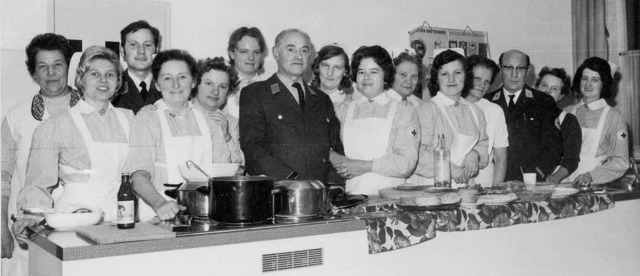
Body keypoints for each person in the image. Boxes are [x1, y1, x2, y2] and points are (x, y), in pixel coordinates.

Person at [13, 45, 132, 246]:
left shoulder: (129, 119)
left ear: (118, 82)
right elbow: (39, 183)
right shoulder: (55, 126)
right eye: (95, 74)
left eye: (110, 74)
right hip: (76, 223)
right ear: (81, 79)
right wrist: (30, 217)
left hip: (123, 220)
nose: (103, 80)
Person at [1, 33, 80, 275]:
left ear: (68, 66)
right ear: (34, 73)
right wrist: (2, 227)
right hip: (25, 227)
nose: (51, 73)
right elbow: (2, 177)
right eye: (42, 67)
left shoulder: (88, 111)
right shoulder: (16, 117)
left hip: (76, 224)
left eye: (58, 65)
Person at [126, 49, 234, 221]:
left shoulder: (209, 119)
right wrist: (160, 204)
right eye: (167, 78)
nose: (175, 85)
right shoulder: (147, 117)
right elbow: (138, 176)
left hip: (206, 211)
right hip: (159, 214)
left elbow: (223, 172)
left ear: (193, 82)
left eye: (182, 77)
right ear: (157, 84)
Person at [240, 29, 342, 182]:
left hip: (319, 194)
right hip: (278, 192)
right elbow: (253, 150)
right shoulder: (256, 94)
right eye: (291, 49)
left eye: (304, 50)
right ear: (276, 53)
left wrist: (335, 185)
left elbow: (335, 149)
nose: (298, 56)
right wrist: (289, 180)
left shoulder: (321, 99)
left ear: (310, 56)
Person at [330, 46, 420, 195]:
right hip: (350, 199)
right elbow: (320, 147)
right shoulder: (342, 109)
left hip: (390, 200)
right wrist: (334, 158)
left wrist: (365, 166)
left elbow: (407, 163)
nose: (366, 78)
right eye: (361, 72)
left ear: (385, 75)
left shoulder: (403, 111)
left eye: (373, 72)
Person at [413, 50, 489, 188]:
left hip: (466, 187)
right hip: (432, 186)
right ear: (436, 78)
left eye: (457, 73)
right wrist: (449, 168)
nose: (451, 79)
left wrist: (475, 153)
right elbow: (416, 152)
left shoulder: (475, 111)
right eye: (444, 74)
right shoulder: (427, 110)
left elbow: (483, 143)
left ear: (466, 76)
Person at [484, 50, 562, 182]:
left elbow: (554, 148)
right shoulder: (487, 101)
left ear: (528, 71)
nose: (514, 74)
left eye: (520, 68)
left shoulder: (543, 101)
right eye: (508, 68)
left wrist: (537, 175)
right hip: (493, 180)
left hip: (530, 181)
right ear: (501, 69)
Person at [565, 57, 629, 186]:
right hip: (561, 185)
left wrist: (591, 176)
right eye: (585, 78)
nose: (588, 84)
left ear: (603, 83)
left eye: (595, 79)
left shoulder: (614, 117)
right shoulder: (566, 112)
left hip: (592, 187)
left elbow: (620, 162)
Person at [464, 55, 508, 187]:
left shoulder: (495, 110)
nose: (481, 85)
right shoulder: (452, 104)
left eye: (487, 81)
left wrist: (496, 190)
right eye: (477, 78)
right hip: (454, 182)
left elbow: (501, 157)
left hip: (484, 183)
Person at [191, 57, 243, 164]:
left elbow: (239, 166)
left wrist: (227, 137)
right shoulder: (181, 115)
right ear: (196, 84)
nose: (215, 92)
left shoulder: (231, 122)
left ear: (229, 92)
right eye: (209, 83)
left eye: (223, 87)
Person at [535, 67, 581, 184]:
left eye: (554, 89)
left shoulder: (567, 120)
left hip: (548, 183)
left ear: (561, 96)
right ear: (536, 87)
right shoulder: (522, 114)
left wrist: (555, 177)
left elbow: (571, 159)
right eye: (544, 85)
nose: (547, 91)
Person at [111, 20, 162, 114]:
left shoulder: (168, 87)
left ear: (156, 50)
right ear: (122, 51)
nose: (141, 51)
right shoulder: (112, 87)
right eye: (133, 45)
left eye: (147, 45)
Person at [223, 27, 268, 120]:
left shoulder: (269, 88)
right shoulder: (221, 85)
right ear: (232, 53)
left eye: (256, 52)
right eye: (244, 51)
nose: (251, 58)